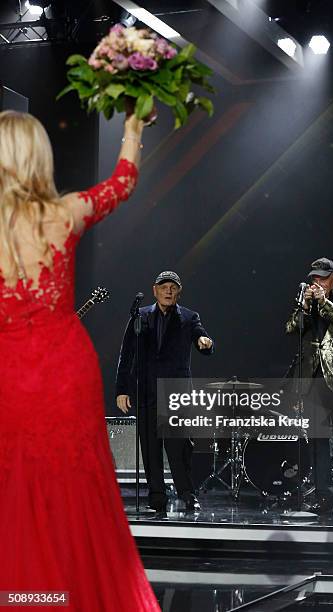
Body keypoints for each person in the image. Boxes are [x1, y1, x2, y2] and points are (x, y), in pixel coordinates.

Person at [0, 110, 160, 610]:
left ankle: (26, 598)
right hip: (66, 372)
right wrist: (133, 127)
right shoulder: (65, 213)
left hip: (10, 374)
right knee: (74, 497)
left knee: (17, 498)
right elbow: (122, 182)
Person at [116, 271, 214, 515]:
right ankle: (156, 497)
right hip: (146, 389)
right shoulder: (140, 316)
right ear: (154, 290)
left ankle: (187, 494)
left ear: (179, 291)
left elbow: (200, 335)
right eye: (164, 287)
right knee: (150, 448)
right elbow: (126, 355)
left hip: (175, 393)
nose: (168, 291)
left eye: (173, 287)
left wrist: (205, 341)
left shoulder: (189, 318)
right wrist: (122, 390)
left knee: (178, 447)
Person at [285, 257, 333, 515]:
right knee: (317, 440)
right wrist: (306, 307)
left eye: (322, 277)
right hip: (313, 379)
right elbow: (290, 329)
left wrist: (323, 302)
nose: (317, 282)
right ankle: (322, 496)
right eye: (314, 278)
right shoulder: (307, 304)